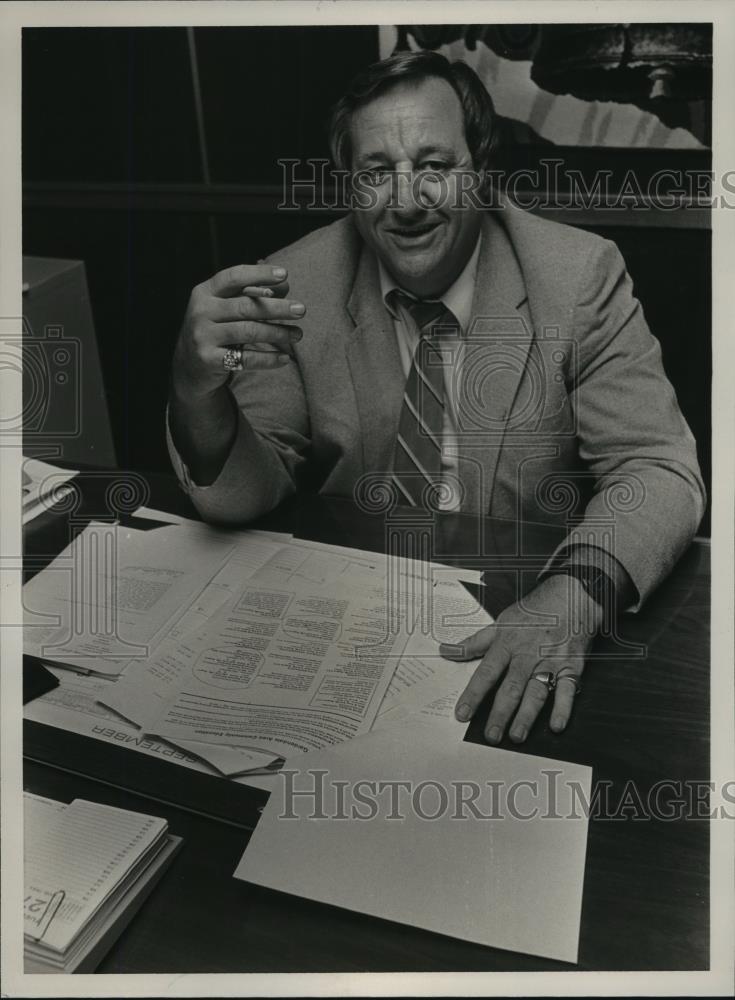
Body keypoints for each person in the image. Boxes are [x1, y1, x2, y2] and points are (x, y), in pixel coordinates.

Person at [167, 51, 705, 746]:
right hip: (348, 623)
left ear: (480, 172)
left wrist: (572, 599)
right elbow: (242, 496)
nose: (405, 199)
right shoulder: (294, 282)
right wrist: (193, 388)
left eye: (432, 165)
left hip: (525, 612)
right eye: (376, 172)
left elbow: (658, 470)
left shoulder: (575, 276)